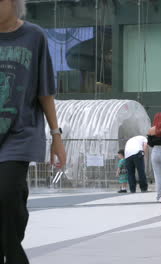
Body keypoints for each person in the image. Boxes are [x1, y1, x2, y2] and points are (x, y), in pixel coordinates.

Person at [0, 0, 67, 262]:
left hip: (20, 132)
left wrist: (56, 136)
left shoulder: (34, 36)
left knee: (6, 192)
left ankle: (14, 255)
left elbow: (45, 91)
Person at [148, 112, 161, 203]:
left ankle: (160, 196)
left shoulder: (151, 130)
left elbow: (150, 143)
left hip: (155, 152)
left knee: (158, 175)